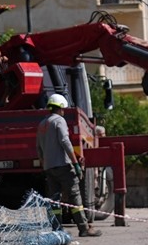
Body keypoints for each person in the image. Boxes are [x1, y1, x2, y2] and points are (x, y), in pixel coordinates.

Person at [35, 94, 101, 236]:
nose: (64, 111)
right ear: (60, 108)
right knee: (74, 196)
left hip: (49, 167)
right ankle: (84, 228)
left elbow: (39, 149)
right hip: (63, 165)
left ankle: (57, 230)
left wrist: (45, 164)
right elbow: (65, 141)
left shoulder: (42, 124)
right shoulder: (59, 121)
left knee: (55, 200)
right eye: (63, 109)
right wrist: (75, 163)